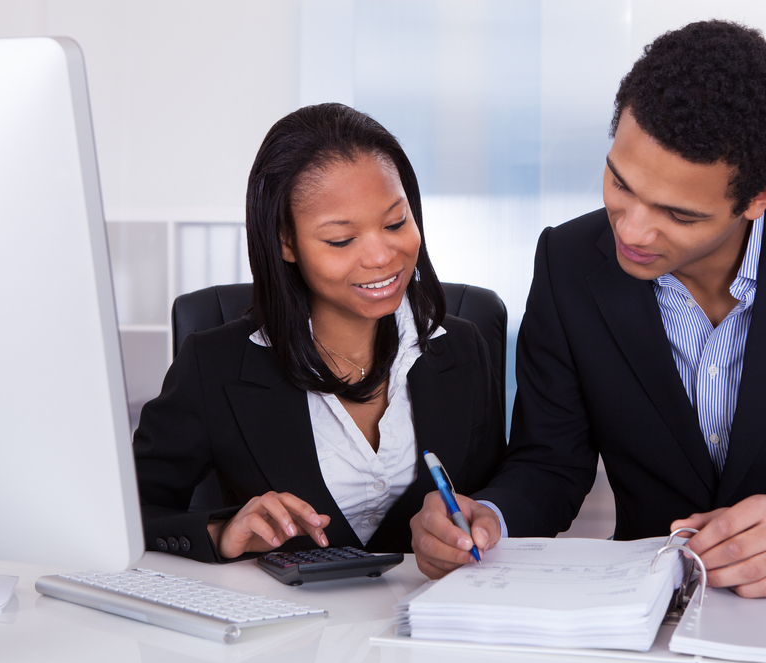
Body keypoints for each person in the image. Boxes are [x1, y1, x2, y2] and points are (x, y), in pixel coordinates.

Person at [411, 20, 766, 597]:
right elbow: (549, 465)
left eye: (679, 215)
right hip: (645, 614)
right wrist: (486, 521)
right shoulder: (567, 261)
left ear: (761, 196)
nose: (631, 231)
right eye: (620, 184)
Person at [134, 103, 504, 563]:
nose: (381, 256)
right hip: (287, 630)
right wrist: (221, 532)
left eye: (395, 223)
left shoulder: (464, 349)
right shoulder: (213, 365)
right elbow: (124, 516)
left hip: (430, 624)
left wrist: (476, 522)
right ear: (285, 242)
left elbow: (494, 495)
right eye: (341, 240)